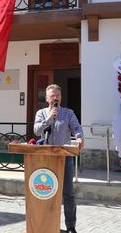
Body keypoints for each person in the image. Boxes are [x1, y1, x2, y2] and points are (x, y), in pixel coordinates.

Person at [34, 84, 83, 233]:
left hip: (64, 157)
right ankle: (47, 224)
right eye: (52, 96)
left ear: (60, 97)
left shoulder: (68, 113)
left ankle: (71, 227)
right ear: (47, 98)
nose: (55, 98)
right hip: (46, 158)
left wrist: (80, 138)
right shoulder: (41, 113)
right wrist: (48, 119)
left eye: (57, 95)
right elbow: (36, 131)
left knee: (68, 193)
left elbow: (77, 128)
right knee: (47, 192)